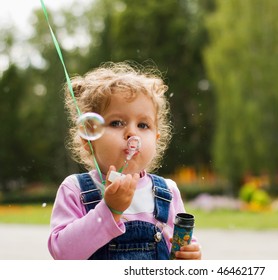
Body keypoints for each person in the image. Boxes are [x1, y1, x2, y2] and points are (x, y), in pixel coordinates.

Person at [48, 61, 201, 260]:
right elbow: (63, 253)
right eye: (117, 122)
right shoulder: (76, 190)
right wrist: (109, 210)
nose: (132, 133)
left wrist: (190, 256)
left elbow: (179, 247)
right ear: (88, 138)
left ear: (156, 139)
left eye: (143, 125)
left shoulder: (167, 192)